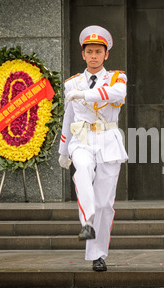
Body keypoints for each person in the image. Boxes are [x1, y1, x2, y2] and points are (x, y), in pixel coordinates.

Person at [58, 25, 128, 271]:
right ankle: (86, 221)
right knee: (84, 170)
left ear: (106, 54)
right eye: (90, 51)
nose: (94, 55)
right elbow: (68, 117)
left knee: (105, 204)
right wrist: (63, 150)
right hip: (83, 139)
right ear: (83, 54)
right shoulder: (72, 83)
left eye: (99, 51)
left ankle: (98, 255)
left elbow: (117, 95)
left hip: (108, 140)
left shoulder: (117, 78)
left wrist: (84, 95)